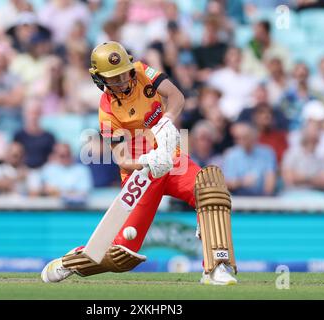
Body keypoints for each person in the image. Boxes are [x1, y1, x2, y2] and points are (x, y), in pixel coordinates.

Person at [41, 41, 238, 285]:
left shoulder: (144, 72)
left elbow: (176, 96)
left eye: (123, 73)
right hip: (141, 174)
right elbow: (121, 157)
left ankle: (216, 267)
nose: (122, 81)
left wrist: (167, 119)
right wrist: (146, 160)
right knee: (123, 255)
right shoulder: (107, 111)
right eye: (113, 78)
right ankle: (70, 262)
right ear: (99, 79)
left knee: (210, 189)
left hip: (172, 159)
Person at [223, 122, 277, 196]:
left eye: (245, 137)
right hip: (238, 198)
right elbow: (227, 183)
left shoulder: (267, 153)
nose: (242, 141)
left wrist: (266, 200)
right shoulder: (231, 155)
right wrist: (242, 182)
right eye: (238, 138)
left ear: (253, 137)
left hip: (262, 197)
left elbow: (270, 179)